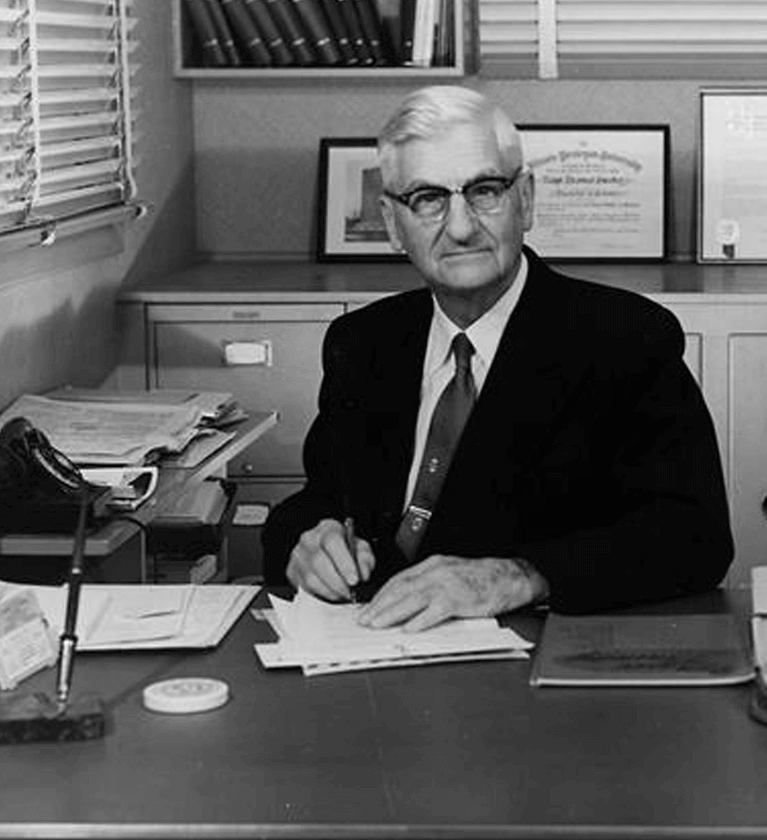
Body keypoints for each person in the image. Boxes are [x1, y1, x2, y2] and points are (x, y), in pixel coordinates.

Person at [262, 85, 733, 631]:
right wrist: (307, 542)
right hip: (377, 652)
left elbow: (693, 539)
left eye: (484, 191)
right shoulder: (364, 342)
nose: (461, 227)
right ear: (393, 224)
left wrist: (520, 576)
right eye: (427, 198)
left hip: (534, 668)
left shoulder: (624, 339)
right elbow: (320, 500)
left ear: (525, 200)